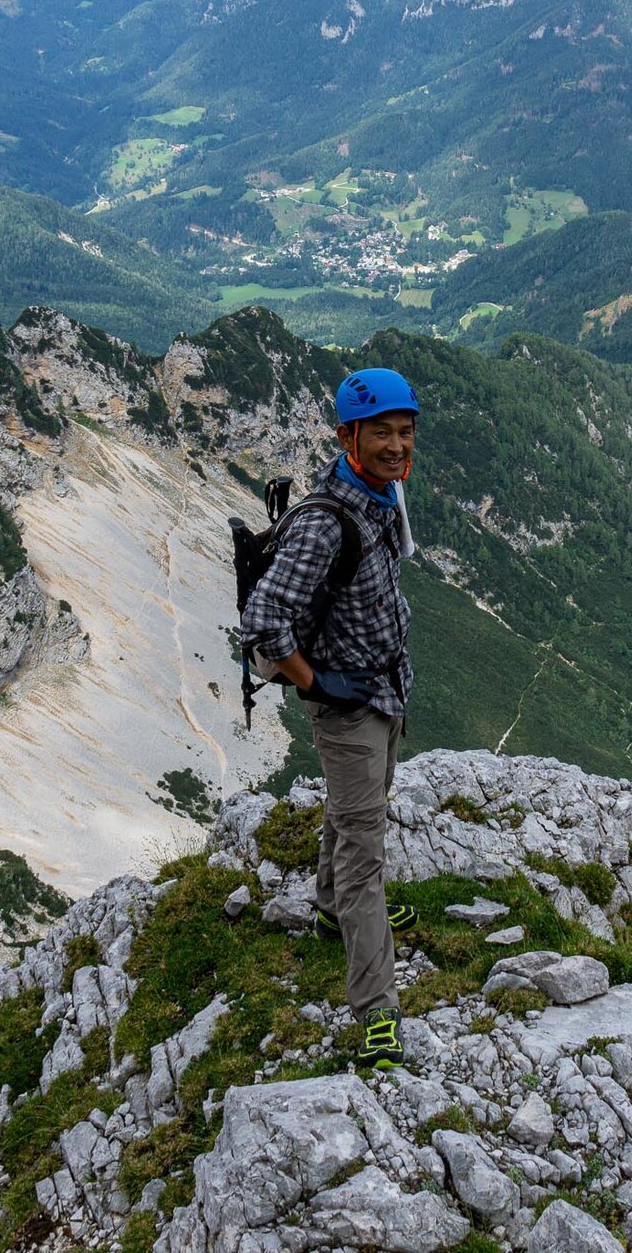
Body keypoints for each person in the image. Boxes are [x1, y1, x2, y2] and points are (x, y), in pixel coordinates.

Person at [237, 366, 423, 1072]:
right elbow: (263, 621)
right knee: (364, 851)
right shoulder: (325, 523)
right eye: (382, 432)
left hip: (382, 693)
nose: (398, 444)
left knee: (358, 812)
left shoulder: (379, 497)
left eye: (405, 432)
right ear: (349, 435)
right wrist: (319, 683)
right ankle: (375, 1006)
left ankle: (328, 909)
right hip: (350, 709)